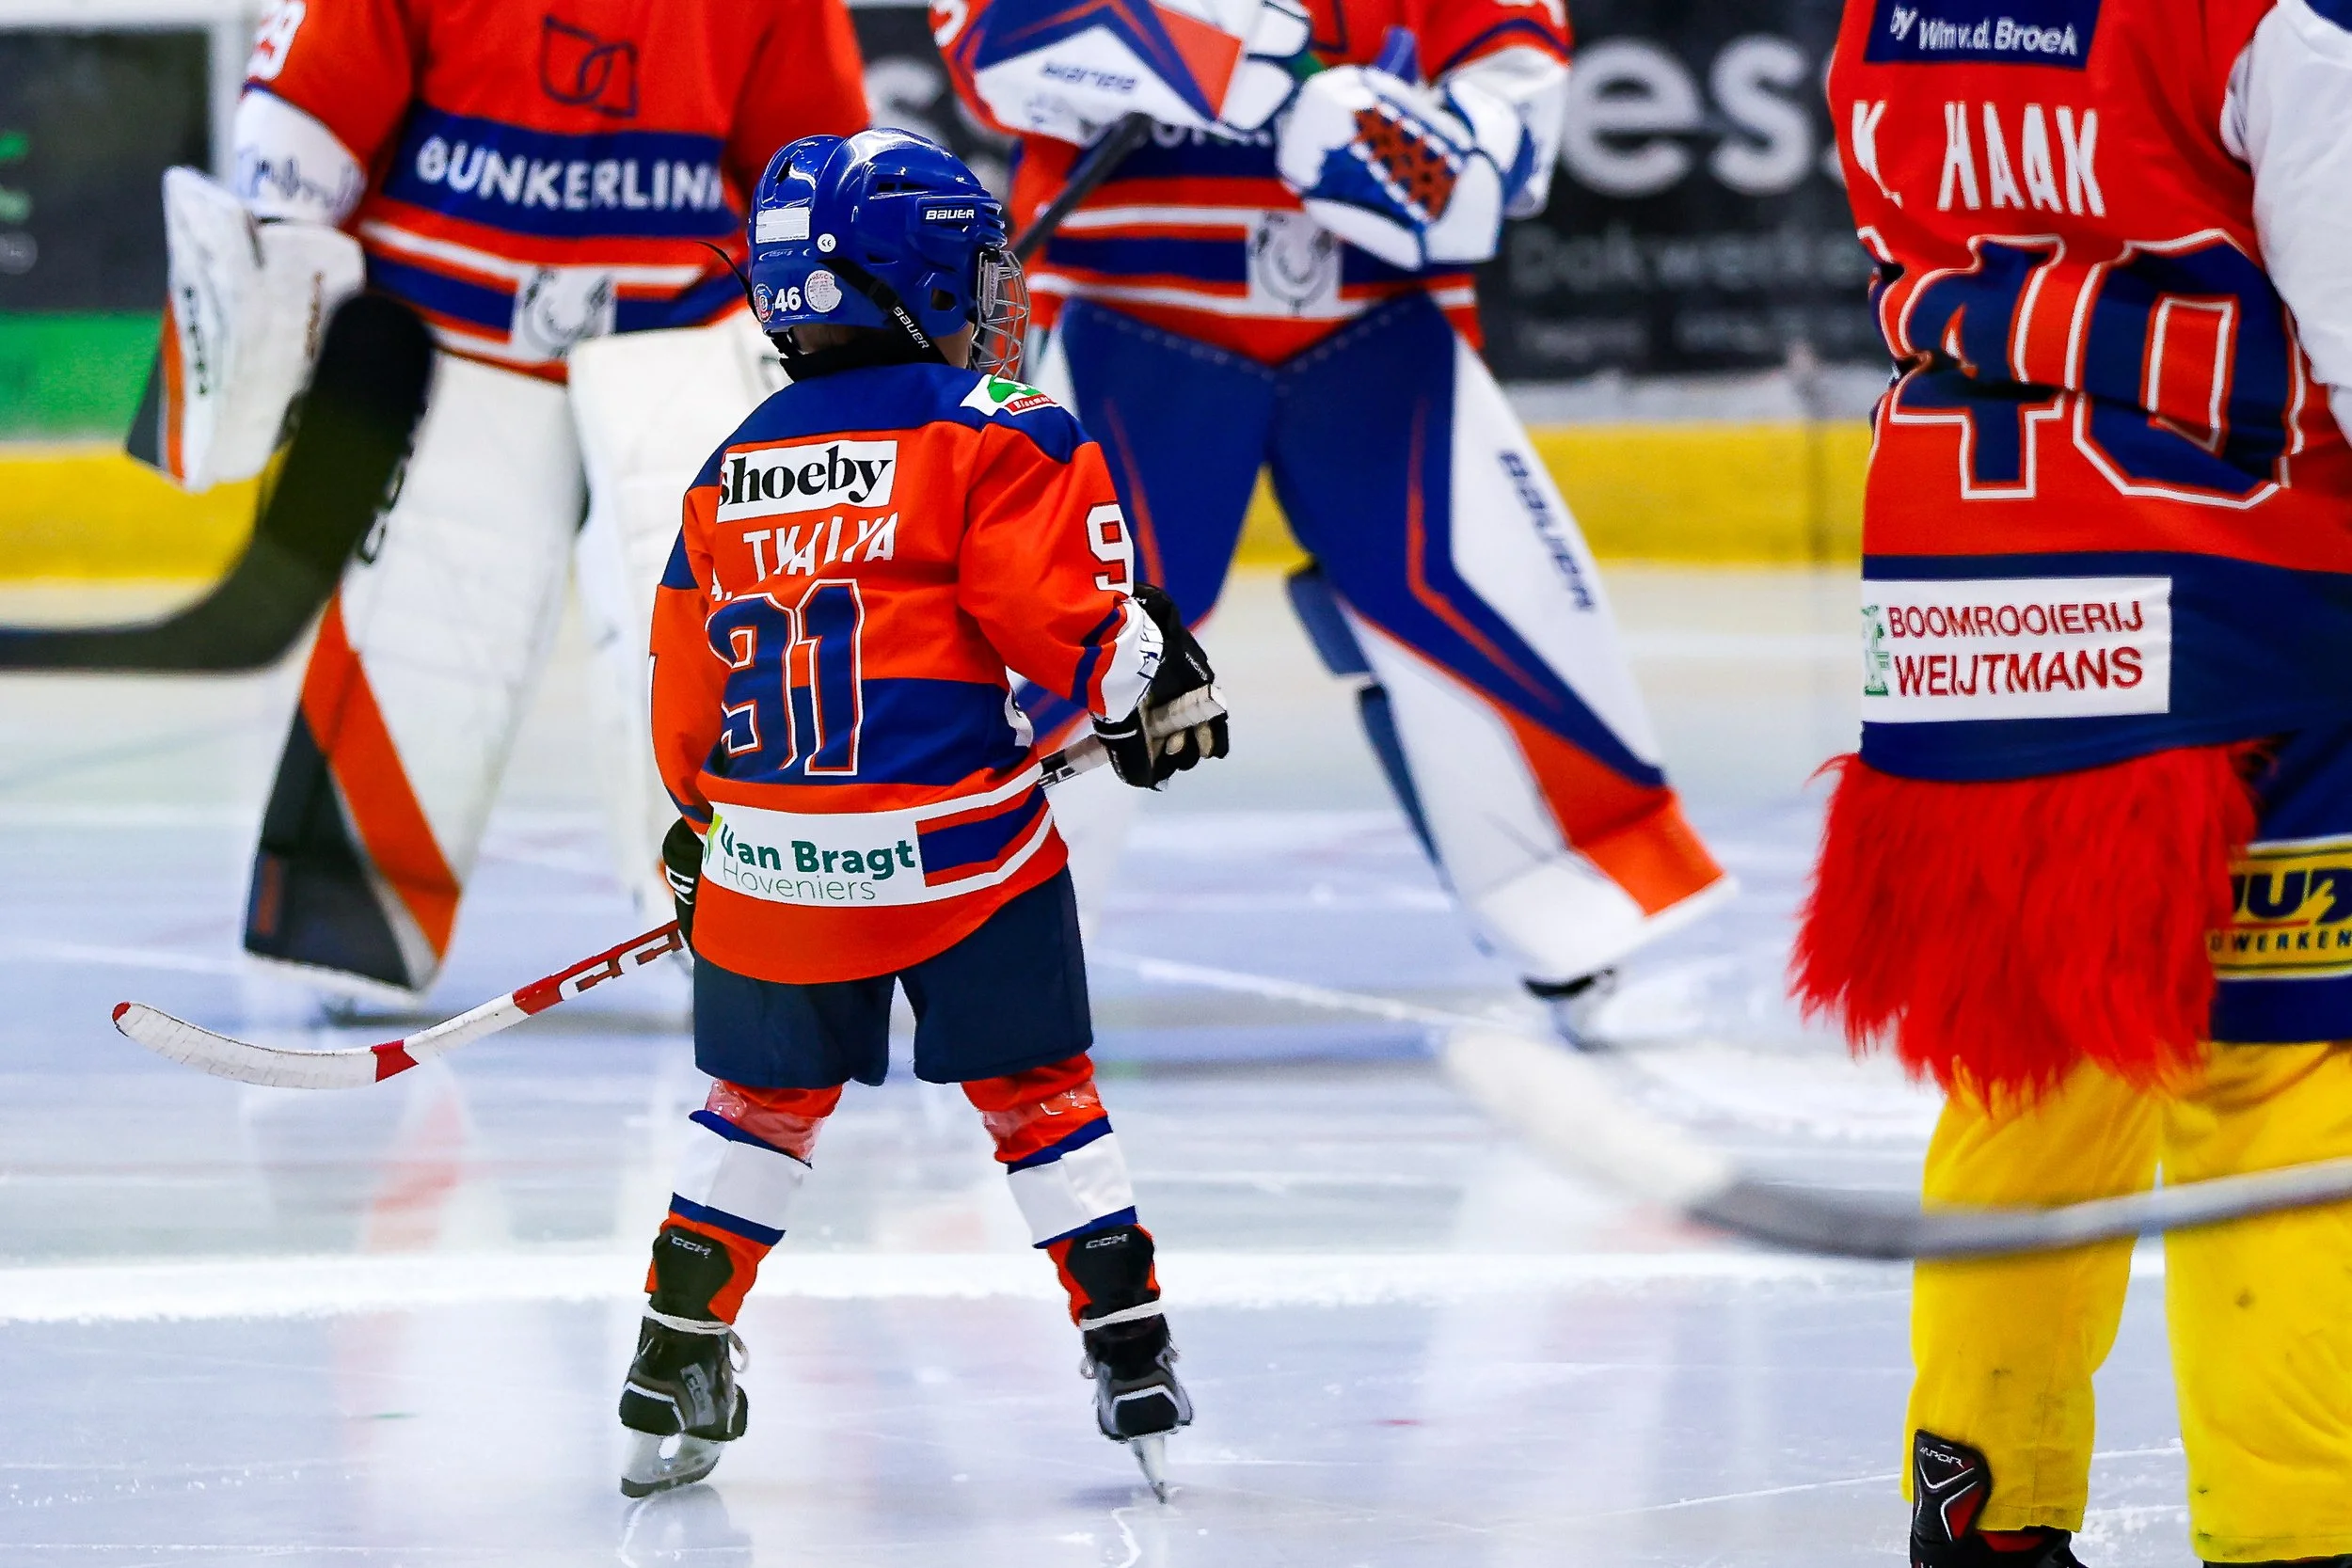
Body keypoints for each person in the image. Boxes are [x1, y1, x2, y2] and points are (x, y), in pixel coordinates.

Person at [1798, 2, 2352, 1563]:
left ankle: (1981, 1501)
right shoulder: (2268, 20)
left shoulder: (1886, 15)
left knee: (2031, 1075)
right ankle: (2305, 1530)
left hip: (1965, 613)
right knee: (2282, 1093)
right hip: (2234, 617)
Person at [614, 128, 1227, 1500]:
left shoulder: (721, 473)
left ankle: (671, 1350)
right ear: (919, 278)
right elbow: (1076, 636)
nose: (995, 290)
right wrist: (1146, 689)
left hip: (775, 870)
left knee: (758, 1107)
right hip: (964, 863)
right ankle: (1127, 1341)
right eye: (975, 266)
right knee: (1041, 1094)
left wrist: (705, 839)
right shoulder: (1000, 428)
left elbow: (685, 724)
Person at [930, 0, 1731, 1040]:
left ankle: (1578, 917)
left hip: (1379, 320)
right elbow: (990, 42)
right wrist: (1224, 61)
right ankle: (961, 919)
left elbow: (1516, 121)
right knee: (1063, 622)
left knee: (1496, 605)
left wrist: (1424, 151)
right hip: (1135, 305)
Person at [208, 0, 868, 997]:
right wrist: (282, 231)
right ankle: (347, 925)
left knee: (714, 635)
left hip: (676, 328)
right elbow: (313, 102)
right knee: (421, 637)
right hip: (448, 328)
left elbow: (811, 153)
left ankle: (743, 918)